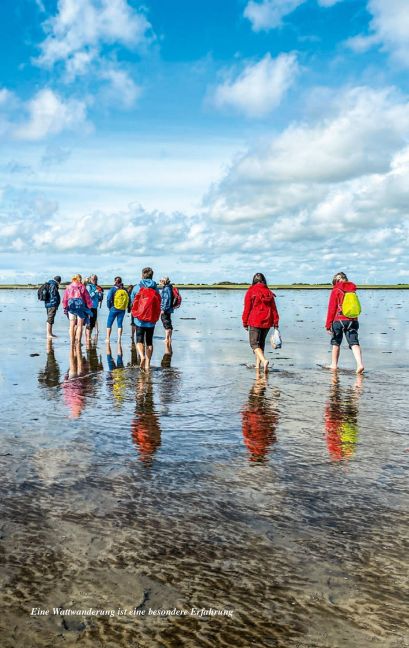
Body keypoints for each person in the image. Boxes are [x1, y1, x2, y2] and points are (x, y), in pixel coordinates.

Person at [325, 272, 364, 374]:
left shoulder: (336, 290)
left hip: (338, 320)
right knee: (354, 343)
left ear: (336, 281)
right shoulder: (352, 291)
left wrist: (328, 325)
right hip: (353, 320)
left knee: (336, 343)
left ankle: (334, 365)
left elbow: (332, 309)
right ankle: (360, 364)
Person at [242, 273, 279, 374]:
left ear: (253, 281)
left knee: (254, 344)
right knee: (261, 344)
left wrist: (245, 322)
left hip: (255, 321)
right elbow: (274, 309)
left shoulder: (251, 291)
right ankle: (258, 366)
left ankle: (264, 361)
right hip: (267, 321)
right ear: (264, 281)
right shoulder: (269, 292)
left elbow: (247, 308)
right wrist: (276, 324)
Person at [130, 267, 161, 370]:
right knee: (149, 341)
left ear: (142, 275)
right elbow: (159, 301)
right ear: (152, 276)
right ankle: (147, 364)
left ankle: (142, 356)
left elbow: (132, 301)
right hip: (151, 319)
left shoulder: (137, 287)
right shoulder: (155, 288)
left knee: (139, 339)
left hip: (139, 319)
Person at [62, 274, 93, 345]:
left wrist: (65, 307)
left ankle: (72, 342)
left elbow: (65, 299)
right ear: (80, 279)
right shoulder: (82, 287)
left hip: (71, 308)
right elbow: (88, 299)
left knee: (71, 325)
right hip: (80, 308)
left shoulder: (69, 287)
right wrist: (89, 307)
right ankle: (78, 342)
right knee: (79, 326)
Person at [106, 277, 129, 343]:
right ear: (121, 281)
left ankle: (108, 338)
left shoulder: (112, 289)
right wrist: (127, 307)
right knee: (120, 323)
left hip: (113, 308)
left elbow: (108, 299)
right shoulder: (124, 289)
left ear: (115, 281)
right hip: (122, 309)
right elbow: (128, 298)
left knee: (109, 323)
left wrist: (109, 307)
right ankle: (119, 339)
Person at [85, 274, 103, 345]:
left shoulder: (97, 286)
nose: (95, 280)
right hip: (89, 307)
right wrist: (95, 292)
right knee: (89, 323)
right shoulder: (88, 286)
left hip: (95, 307)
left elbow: (99, 298)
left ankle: (89, 336)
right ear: (90, 279)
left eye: (96, 279)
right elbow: (88, 296)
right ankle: (87, 338)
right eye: (93, 279)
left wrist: (100, 294)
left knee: (92, 323)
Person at [159, 276, 174, 355]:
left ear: (164, 281)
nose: (160, 282)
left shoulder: (166, 288)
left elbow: (166, 299)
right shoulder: (169, 287)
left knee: (166, 323)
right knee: (168, 323)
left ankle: (167, 339)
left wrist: (163, 309)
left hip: (166, 309)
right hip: (169, 309)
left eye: (161, 281)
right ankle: (169, 339)